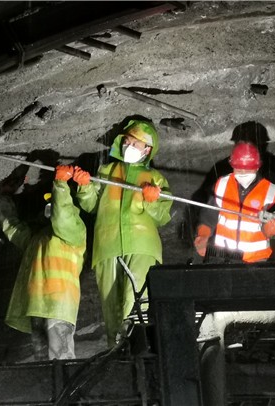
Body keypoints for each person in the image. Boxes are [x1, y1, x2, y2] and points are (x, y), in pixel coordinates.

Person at [75, 119, 172, 346]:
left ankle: (138, 352)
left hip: (142, 246)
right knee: (111, 311)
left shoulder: (155, 178)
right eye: (127, 141)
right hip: (107, 246)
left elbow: (162, 216)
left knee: (136, 305)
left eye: (136, 143)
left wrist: (151, 201)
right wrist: (85, 186)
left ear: (147, 149)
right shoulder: (106, 171)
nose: (129, 146)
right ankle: (116, 354)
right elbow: (91, 206)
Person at [0, 163, 87, 360]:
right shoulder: (37, 239)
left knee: (61, 357)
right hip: (37, 306)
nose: (50, 208)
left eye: (53, 203)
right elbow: (12, 228)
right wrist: (4, 197)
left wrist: (61, 185)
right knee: (43, 361)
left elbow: (64, 217)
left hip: (59, 305)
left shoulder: (75, 232)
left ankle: (66, 381)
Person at [193, 141, 275, 263]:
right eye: (239, 169)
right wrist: (203, 236)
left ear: (258, 167)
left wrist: (269, 231)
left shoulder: (270, 191)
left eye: (248, 170)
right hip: (222, 257)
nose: (243, 173)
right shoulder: (222, 185)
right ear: (232, 166)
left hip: (256, 261)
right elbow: (208, 216)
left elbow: (273, 225)